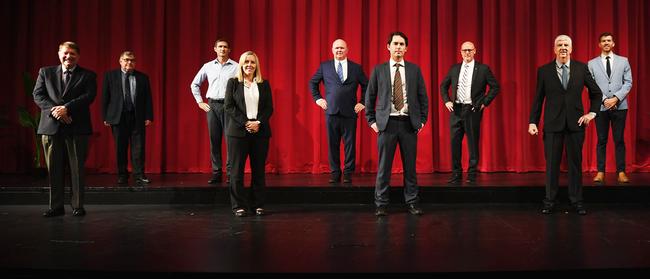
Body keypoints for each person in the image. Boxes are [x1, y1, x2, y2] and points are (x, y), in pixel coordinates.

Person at [528, 35, 603, 216]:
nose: (563, 47)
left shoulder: (581, 68)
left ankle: (576, 201)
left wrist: (592, 113)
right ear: (554, 49)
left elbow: (596, 93)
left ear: (571, 48)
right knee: (552, 165)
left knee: (575, 165)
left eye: (566, 45)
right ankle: (550, 201)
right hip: (553, 125)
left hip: (575, 125)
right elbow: (538, 99)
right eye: (559, 45)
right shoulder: (544, 71)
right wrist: (533, 121)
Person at [365, 32, 428, 216]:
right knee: (384, 167)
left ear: (406, 48)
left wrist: (422, 120)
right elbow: (370, 96)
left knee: (410, 167)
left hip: (408, 124)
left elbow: (423, 96)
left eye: (402, 44)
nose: (398, 47)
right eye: (395, 44)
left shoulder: (414, 70)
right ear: (388, 47)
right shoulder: (379, 70)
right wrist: (371, 121)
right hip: (387, 124)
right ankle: (381, 204)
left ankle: (412, 202)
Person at [33, 41, 97, 217]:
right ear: (59, 54)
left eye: (73, 54)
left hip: (77, 127)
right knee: (54, 169)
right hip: (51, 127)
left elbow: (89, 96)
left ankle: (78, 205)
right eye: (65, 53)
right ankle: (56, 207)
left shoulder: (88, 75)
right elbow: (38, 95)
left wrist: (67, 108)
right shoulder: (45, 72)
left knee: (77, 170)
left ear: (78, 56)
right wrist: (56, 111)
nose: (69, 56)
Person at [309, 39, 368, 184]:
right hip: (331, 112)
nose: (339, 50)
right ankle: (335, 172)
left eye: (342, 48)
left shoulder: (356, 68)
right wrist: (318, 99)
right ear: (332, 50)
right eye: (336, 48)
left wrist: (363, 102)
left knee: (350, 144)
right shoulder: (325, 67)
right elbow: (313, 83)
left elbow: (368, 86)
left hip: (350, 112)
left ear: (347, 50)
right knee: (333, 144)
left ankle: (348, 172)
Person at [440, 41, 500, 185]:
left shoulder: (483, 69)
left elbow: (495, 87)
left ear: (475, 51)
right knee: (455, 143)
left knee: (472, 143)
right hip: (456, 110)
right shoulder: (454, 69)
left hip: (472, 110)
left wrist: (484, 102)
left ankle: (472, 174)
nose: (467, 53)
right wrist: (447, 100)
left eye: (470, 50)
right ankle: (456, 173)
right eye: (464, 50)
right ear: (460, 52)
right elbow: (443, 85)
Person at [224, 51, 274, 217]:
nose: (249, 65)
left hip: (260, 132)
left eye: (252, 62)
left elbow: (269, 108)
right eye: (246, 62)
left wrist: (258, 122)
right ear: (241, 64)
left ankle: (257, 204)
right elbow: (229, 107)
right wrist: (246, 122)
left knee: (258, 170)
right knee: (236, 171)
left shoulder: (264, 84)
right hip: (238, 132)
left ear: (256, 65)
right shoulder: (233, 83)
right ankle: (238, 205)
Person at [102, 51, 154, 186]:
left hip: (137, 117)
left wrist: (149, 116)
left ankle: (139, 175)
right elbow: (105, 98)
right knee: (120, 147)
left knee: (139, 148)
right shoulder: (110, 76)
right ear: (120, 61)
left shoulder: (143, 77)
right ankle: (122, 175)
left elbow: (148, 98)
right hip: (118, 117)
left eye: (132, 60)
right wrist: (106, 116)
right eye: (126, 60)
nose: (129, 63)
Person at [190, 39, 238, 184]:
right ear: (215, 49)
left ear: (229, 50)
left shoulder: (236, 67)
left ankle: (230, 174)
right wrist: (200, 102)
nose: (222, 49)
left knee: (231, 141)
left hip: (229, 106)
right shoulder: (208, 66)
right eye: (220, 47)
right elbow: (194, 84)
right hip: (212, 106)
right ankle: (217, 173)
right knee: (214, 140)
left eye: (225, 47)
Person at [587, 32, 633, 184]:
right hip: (600, 107)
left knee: (619, 140)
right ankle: (600, 172)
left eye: (609, 40)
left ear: (613, 43)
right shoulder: (592, 64)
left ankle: (621, 172)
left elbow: (628, 83)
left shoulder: (623, 61)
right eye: (603, 41)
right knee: (601, 140)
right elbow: (590, 86)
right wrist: (605, 100)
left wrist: (615, 98)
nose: (606, 43)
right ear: (599, 44)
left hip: (620, 107)